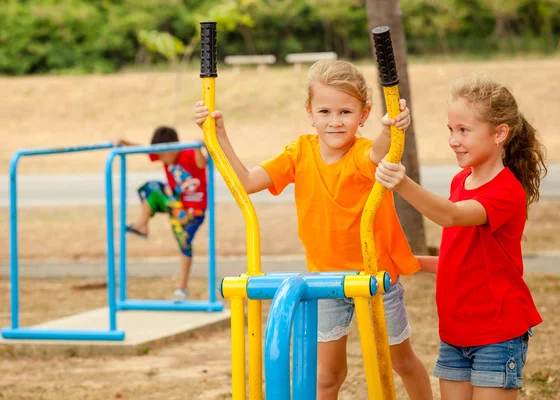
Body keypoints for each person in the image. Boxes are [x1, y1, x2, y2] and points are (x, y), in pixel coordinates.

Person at [195, 60, 433, 399]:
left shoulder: (363, 152)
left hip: (375, 276)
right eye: (325, 111)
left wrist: (391, 128)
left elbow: (381, 152)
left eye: (345, 112)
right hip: (324, 279)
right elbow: (246, 182)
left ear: (363, 114)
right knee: (327, 375)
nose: (335, 121)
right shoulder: (299, 152)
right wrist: (218, 136)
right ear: (310, 112)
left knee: (399, 362)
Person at [375, 76, 546, 400]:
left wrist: (402, 184)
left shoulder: (506, 192)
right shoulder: (460, 181)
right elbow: (462, 257)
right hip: (455, 332)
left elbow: (451, 216)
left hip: (497, 332)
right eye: (450, 130)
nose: (453, 140)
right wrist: (408, 261)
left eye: (464, 130)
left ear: (499, 134)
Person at [116, 126, 208, 303]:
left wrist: (198, 147)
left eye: (164, 154)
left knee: (185, 244)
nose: (162, 159)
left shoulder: (187, 152)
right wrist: (124, 142)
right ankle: (141, 225)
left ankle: (182, 288)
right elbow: (143, 150)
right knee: (150, 189)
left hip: (193, 211)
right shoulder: (164, 155)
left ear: (174, 147)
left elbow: (201, 164)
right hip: (176, 205)